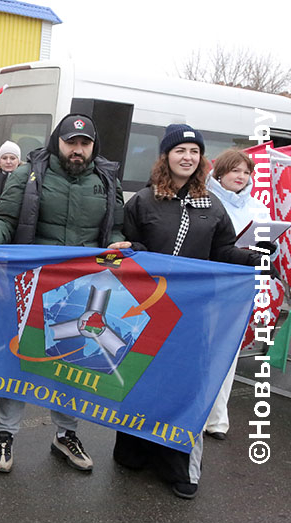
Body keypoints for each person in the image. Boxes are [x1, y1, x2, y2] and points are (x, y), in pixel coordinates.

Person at [0, 114, 129, 475]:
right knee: (23, 358)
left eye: (84, 144)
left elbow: (114, 228)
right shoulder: (30, 173)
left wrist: (118, 243)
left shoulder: (106, 179)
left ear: (92, 147)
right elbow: (5, 219)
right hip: (33, 283)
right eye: (71, 142)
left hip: (84, 288)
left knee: (72, 361)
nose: (77, 150)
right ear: (58, 142)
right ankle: (4, 435)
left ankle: (65, 434)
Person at [117, 125, 266, 500]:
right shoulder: (144, 201)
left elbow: (224, 250)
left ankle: (176, 463)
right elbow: (125, 241)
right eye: (180, 150)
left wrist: (255, 259)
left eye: (194, 151)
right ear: (166, 156)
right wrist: (131, 247)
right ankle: (135, 449)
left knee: (184, 387)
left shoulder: (211, 205)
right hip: (148, 311)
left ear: (201, 160)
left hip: (193, 314)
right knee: (142, 379)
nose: (187, 157)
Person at [204, 148, 274, 441]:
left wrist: (265, 250)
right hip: (209, 284)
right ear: (220, 171)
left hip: (241, 285)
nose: (241, 177)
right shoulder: (205, 199)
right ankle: (195, 411)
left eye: (246, 172)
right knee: (202, 351)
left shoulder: (258, 207)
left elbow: (269, 244)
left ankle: (218, 419)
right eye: (235, 171)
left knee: (228, 351)